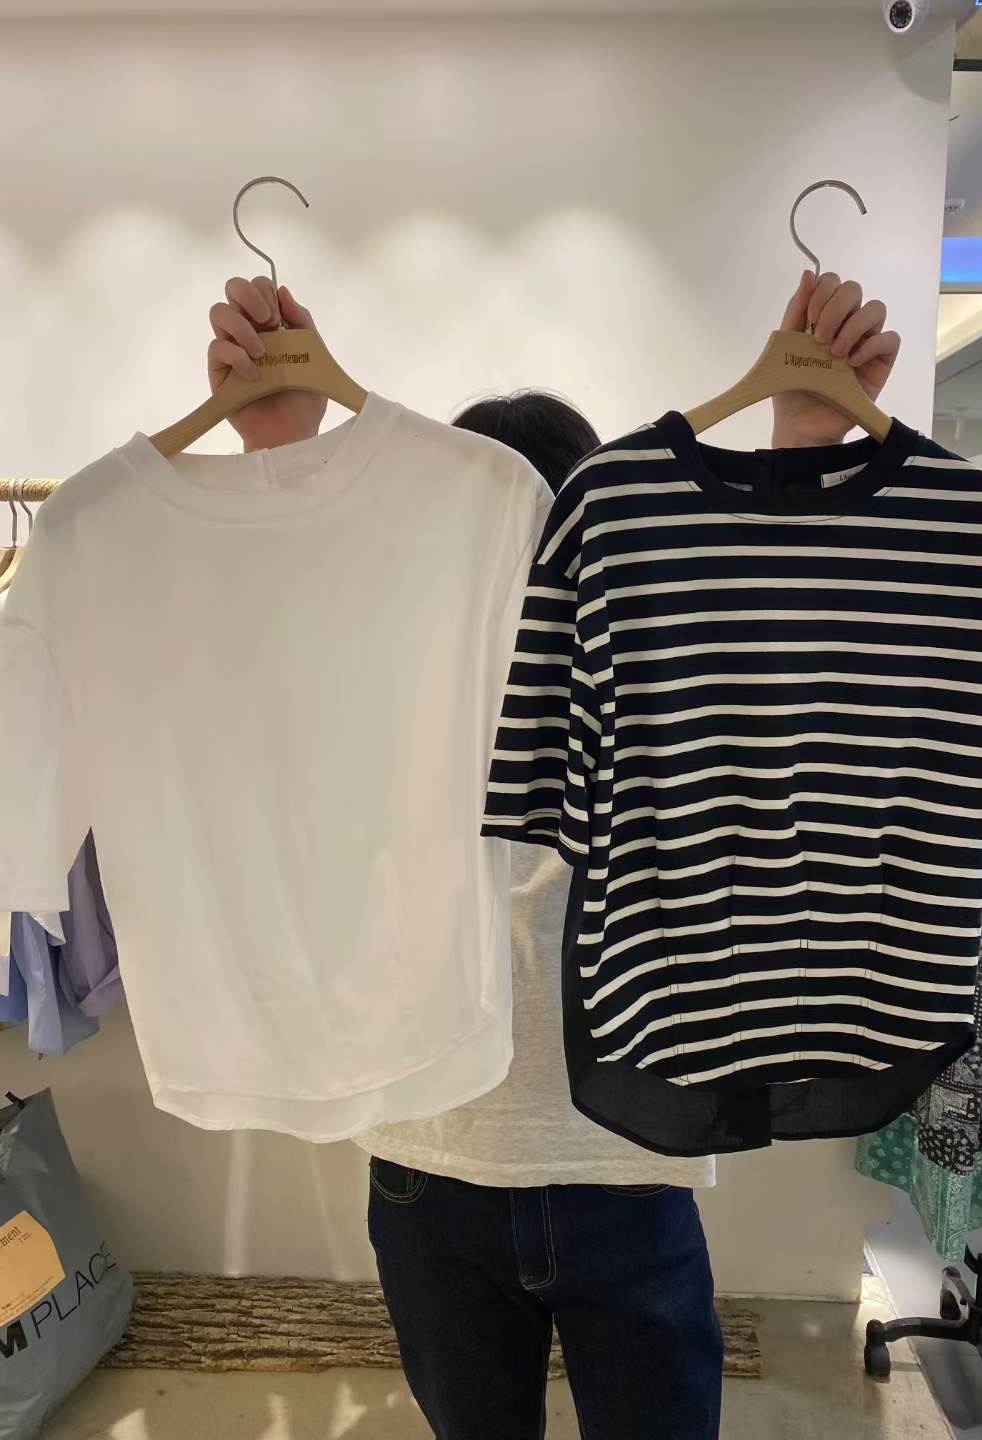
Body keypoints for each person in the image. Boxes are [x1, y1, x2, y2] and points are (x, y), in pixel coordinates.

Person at [207, 271, 901, 1440]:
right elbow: (257, 660)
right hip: (453, 1165)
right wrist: (283, 461)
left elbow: (796, 660)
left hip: (608, 1160)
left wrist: (801, 454)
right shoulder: (380, 676)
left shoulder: (667, 663)